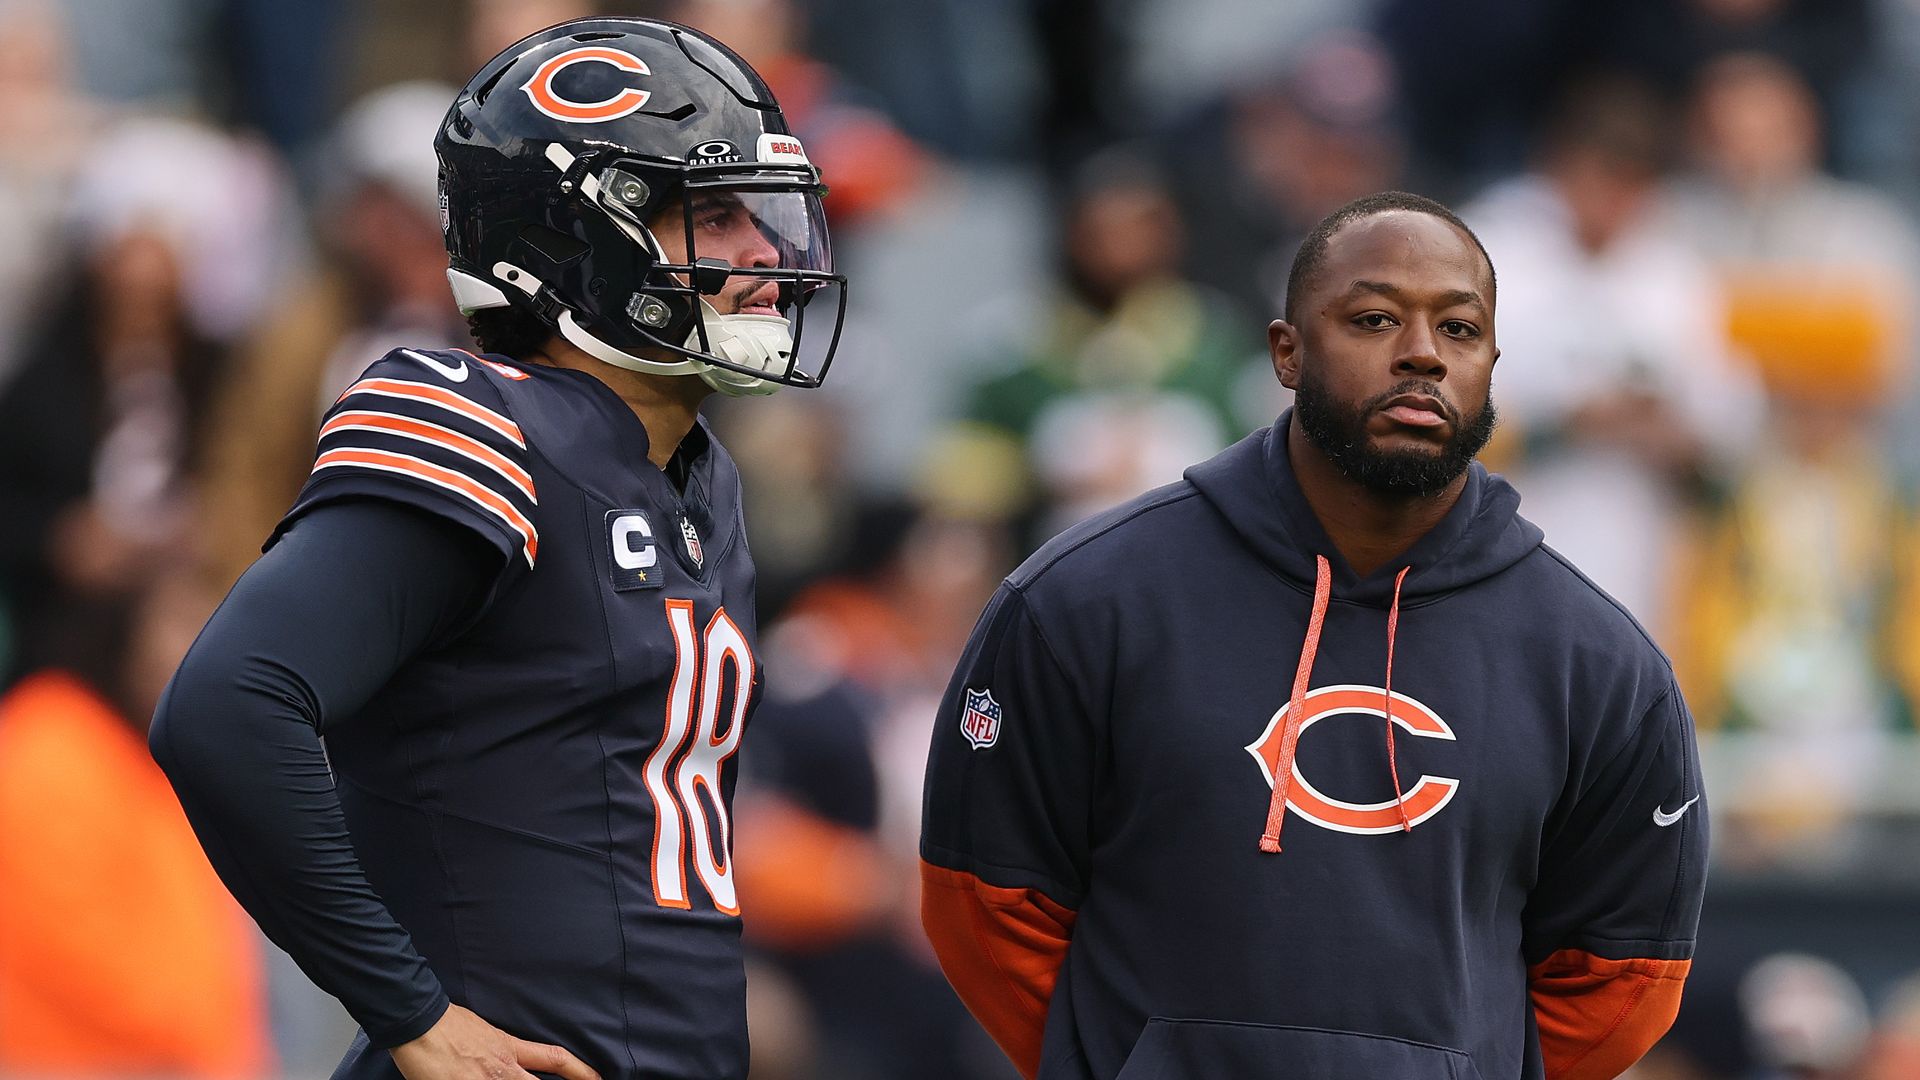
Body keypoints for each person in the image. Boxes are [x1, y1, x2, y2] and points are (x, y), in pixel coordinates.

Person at [151, 17, 846, 1080]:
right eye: (712, 213)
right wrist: (412, 1013)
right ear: (577, 239)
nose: (763, 252)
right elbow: (227, 708)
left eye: (761, 215)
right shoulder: (484, 422)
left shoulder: (702, 476)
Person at [920, 191, 1708, 1079]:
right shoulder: (1086, 597)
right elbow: (982, 903)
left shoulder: (1599, 662)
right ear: (1286, 353)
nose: (1422, 353)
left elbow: (1625, 972)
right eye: (1374, 319)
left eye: (1459, 329)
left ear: (1492, 363)